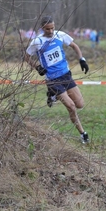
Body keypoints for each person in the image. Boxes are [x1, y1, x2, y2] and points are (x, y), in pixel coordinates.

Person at [24, 16, 90, 144]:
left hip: (66, 75)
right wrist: (37, 67)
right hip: (53, 80)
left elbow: (74, 46)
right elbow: (26, 57)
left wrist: (82, 60)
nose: (51, 31)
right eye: (48, 29)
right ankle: (83, 133)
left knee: (80, 104)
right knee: (71, 106)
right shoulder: (37, 42)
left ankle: (51, 94)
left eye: (53, 28)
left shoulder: (60, 35)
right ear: (42, 28)